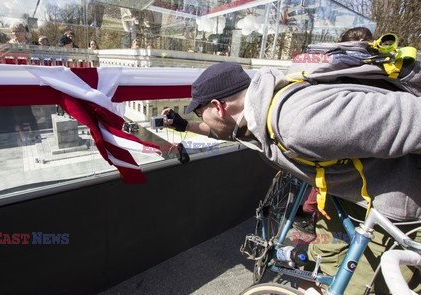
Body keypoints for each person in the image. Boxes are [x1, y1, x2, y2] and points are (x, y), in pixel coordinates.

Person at [162, 62, 421, 294]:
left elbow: (412, 117)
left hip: (399, 208)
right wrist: (185, 126)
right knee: (322, 267)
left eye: (199, 113)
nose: (199, 118)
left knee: (362, 287)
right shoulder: (257, 113)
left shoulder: (302, 123)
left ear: (218, 107)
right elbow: (225, 132)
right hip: (348, 196)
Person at [293, 26, 376, 235]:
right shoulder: (377, 68)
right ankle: (312, 211)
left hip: (324, 137)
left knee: (324, 171)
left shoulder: (330, 65)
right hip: (360, 147)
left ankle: (310, 211)